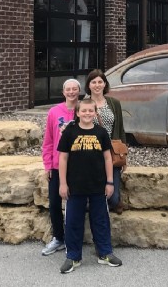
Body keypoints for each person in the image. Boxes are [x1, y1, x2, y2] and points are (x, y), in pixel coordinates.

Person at [57, 97, 122, 273]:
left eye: (90, 111)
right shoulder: (70, 132)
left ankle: (105, 253)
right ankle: (73, 257)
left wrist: (110, 181)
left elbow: (108, 158)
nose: (87, 113)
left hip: (98, 186)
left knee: (101, 221)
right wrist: (62, 183)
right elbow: (63, 158)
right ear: (77, 113)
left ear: (95, 113)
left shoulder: (101, 132)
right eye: (83, 111)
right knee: (73, 222)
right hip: (75, 186)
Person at [40, 78, 80, 256]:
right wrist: (48, 164)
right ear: (63, 92)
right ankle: (58, 238)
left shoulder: (84, 110)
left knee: (75, 205)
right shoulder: (54, 112)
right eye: (68, 89)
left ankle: (73, 240)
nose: (71, 92)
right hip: (57, 165)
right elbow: (48, 141)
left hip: (78, 165)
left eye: (74, 89)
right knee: (55, 203)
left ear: (79, 91)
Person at [85, 68, 127, 213]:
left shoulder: (114, 103)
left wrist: (124, 156)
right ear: (89, 85)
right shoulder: (84, 105)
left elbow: (120, 129)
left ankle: (108, 205)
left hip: (111, 153)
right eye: (93, 82)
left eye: (100, 82)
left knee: (113, 199)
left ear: (105, 84)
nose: (97, 85)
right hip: (90, 154)